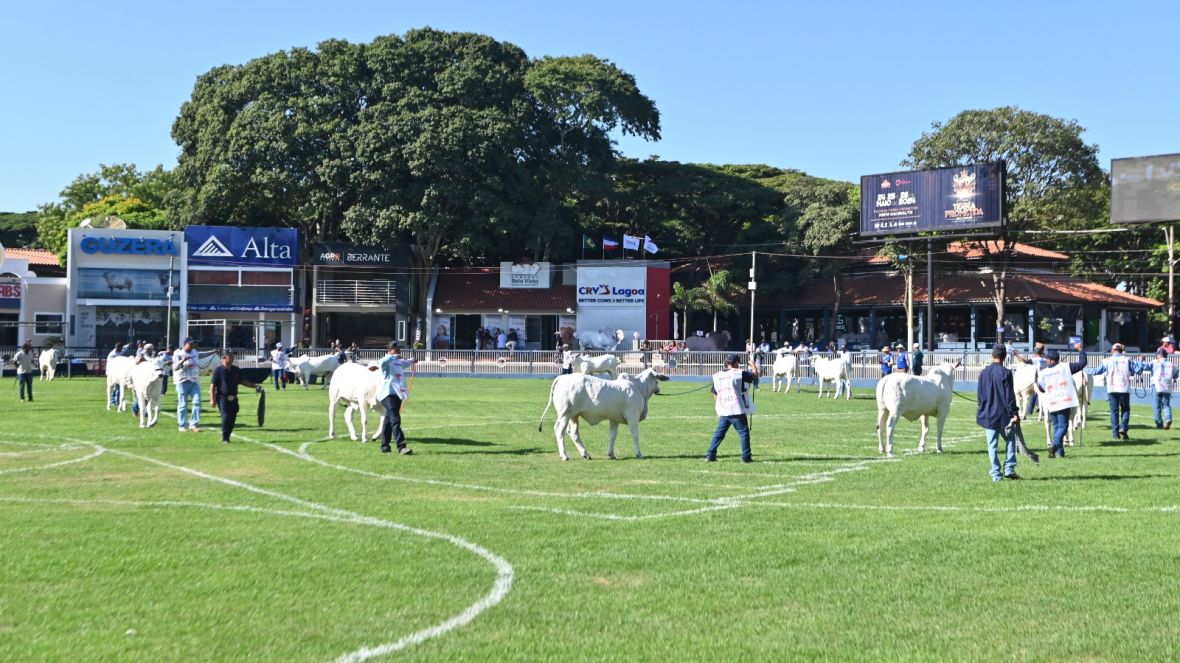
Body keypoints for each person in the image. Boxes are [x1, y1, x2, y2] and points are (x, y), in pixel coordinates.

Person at [1035, 344, 1088, 458]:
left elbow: (1041, 389)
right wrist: (1081, 351)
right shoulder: (1066, 367)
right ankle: (1054, 445)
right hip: (1065, 401)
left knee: (1056, 426)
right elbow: (1082, 363)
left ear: (1049, 360)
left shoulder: (1043, 373)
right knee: (1063, 427)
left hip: (1052, 403)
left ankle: (1059, 453)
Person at [705, 354, 760, 463]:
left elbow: (714, 393)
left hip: (723, 408)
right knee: (744, 433)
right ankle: (746, 457)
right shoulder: (738, 373)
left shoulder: (717, 375)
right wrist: (753, 364)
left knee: (719, 434)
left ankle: (710, 455)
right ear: (736, 363)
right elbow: (754, 376)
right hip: (736, 408)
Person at [1088, 343, 1149, 440]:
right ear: (1121, 350)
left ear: (1112, 350)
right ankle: (1124, 427)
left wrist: (1083, 370)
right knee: (1125, 410)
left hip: (1111, 389)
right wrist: (1141, 361)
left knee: (1114, 412)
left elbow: (1096, 371)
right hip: (1124, 389)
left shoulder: (1107, 361)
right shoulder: (1127, 360)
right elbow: (1138, 370)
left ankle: (1115, 434)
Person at [977, 345, 1020, 481]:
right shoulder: (1006, 373)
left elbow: (980, 395)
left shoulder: (983, 373)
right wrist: (1015, 412)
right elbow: (1009, 396)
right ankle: (1009, 468)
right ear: (1004, 357)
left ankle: (996, 473)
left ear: (992, 355)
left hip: (988, 413)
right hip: (1004, 415)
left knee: (992, 445)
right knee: (1010, 440)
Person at [368, 342, 417, 455]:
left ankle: (385, 446)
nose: (399, 351)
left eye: (398, 349)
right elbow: (381, 362)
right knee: (395, 419)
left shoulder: (398, 361)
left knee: (388, 420)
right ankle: (401, 447)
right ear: (390, 350)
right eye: (396, 349)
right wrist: (394, 356)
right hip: (387, 394)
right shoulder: (386, 361)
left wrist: (413, 360)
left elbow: (406, 363)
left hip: (397, 394)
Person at [210, 351, 261, 444]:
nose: (233, 358)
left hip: (234, 398)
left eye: (233, 356)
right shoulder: (218, 370)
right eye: (230, 356)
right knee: (226, 417)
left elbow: (242, 381)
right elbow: (212, 386)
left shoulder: (236, 369)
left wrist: (255, 386)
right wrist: (212, 399)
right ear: (224, 358)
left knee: (232, 418)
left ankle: (228, 435)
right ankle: (225, 438)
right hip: (222, 398)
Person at [172, 338, 203, 433]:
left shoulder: (195, 352)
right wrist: (182, 361)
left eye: (193, 344)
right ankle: (182, 425)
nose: (192, 346)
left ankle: (194, 424)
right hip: (182, 381)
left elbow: (201, 355)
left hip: (194, 381)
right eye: (190, 344)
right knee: (182, 404)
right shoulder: (178, 354)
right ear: (185, 344)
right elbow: (175, 368)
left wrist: (212, 352)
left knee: (197, 401)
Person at [1012, 343, 1047, 417]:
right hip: (1045, 380)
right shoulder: (1045, 359)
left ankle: (1031, 410)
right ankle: (1032, 410)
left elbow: (1024, 361)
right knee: (1036, 395)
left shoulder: (1035, 360)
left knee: (1036, 395)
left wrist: (1017, 355)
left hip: (1038, 380)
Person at [1148, 348, 1179, 429]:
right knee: (1166, 405)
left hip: (1156, 385)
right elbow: (1176, 375)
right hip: (1167, 386)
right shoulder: (1171, 364)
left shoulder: (1155, 362)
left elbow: (1146, 367)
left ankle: (1159, 424)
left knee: (1156, 405)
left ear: (1159, 355)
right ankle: (1168, 419)